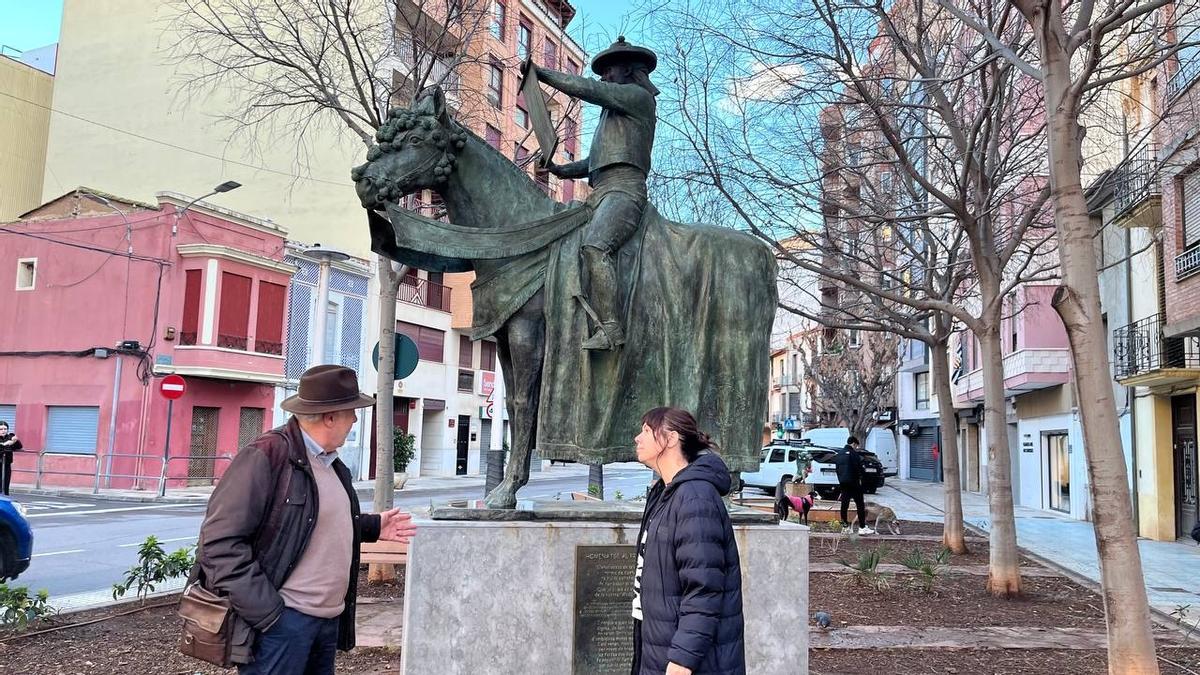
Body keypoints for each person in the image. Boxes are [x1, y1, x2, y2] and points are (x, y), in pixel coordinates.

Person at [194, 365, 418, 674]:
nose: (354, 419)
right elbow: (218, 546)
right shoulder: (267, 456)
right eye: (351, 412)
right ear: (330, 417)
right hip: (282, 625)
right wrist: (269, 614)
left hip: (324, 623)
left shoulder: (331, 465)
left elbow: (310, 521)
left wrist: (374, 526)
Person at [525, 36, 659, 351]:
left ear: (627, 70)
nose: (604, 77)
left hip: (625, 190)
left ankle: (611, 328)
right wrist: (560, 170)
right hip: (598, 192)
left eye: (609, 70)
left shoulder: (638, 98)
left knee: (595, 247)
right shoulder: (611, 117)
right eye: (602, 73)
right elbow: (595, 162)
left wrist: (542, 75)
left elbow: (590, 90)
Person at [630, 406, 745, 675]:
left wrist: (682, 659)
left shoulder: (695, 497)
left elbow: (704, 588)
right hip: (660, 646)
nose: (638, 437)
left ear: (671, 439)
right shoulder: (666, 493)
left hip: (684, 660)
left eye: (646, 430)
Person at [836, 436, 875, 535]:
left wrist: (841, 480)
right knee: (860, 505)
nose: (856, 447)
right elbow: (859, 469)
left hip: (843, 483)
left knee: (844, 505)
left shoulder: (839, 454)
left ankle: (845, 527)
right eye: (856, 445)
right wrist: (862, 481)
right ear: (853, 443)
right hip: (854, 483)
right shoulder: (854, 454)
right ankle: (862, 527)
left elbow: (837, 469)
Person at [0, 421, 22, 496]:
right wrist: (6, 444)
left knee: (5, 484)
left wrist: (15, 441)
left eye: (5, 429)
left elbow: (19, 446)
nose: (3, 431)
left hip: (6, 464)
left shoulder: (10, 437)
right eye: (1, 429)